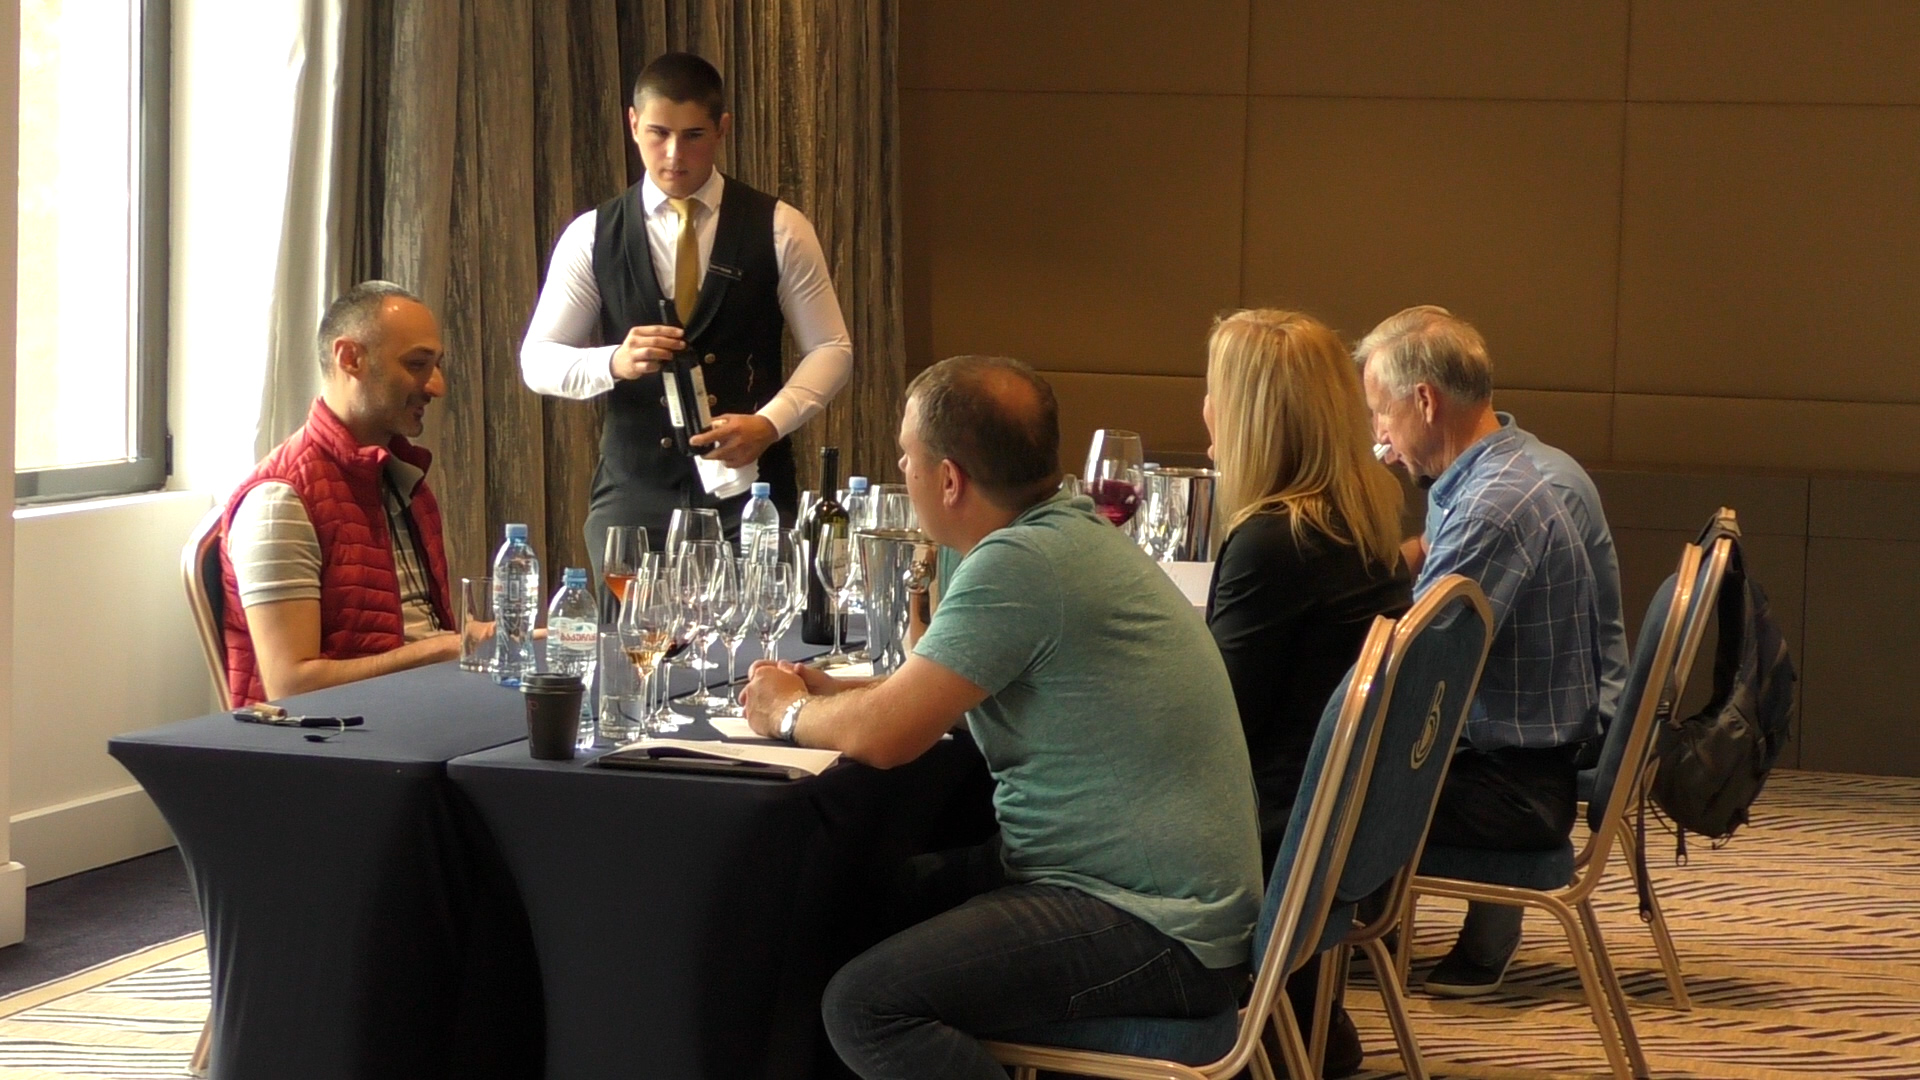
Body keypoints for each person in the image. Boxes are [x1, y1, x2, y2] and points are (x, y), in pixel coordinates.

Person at [743, 355, 1262, 1080]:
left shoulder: (1023, 563)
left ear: (950, 480)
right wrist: (839, 692)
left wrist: (788, 711)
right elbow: (938, 688)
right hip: (1144, 888)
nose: (903, 468)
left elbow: (886, 738)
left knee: (865, 1007)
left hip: (1159, 927)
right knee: (855, 905)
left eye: (907, 456)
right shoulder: (1057, 533)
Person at [519, 51, 852, 577]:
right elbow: (537, 361)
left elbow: (832, 348)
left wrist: (769, 424)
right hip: (633, 495)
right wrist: (613, 361)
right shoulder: (592, 234)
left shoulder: (780, 227)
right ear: (633, 124)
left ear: (722, 129)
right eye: (658, 133)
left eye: (693, 135)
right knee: (632, 630)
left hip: (752, 496)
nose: (674, 155)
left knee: (756, 627)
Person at [1357, 305, 1604, 996]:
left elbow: (1412, 672)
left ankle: (1305, 975)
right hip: (1513, 770)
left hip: (1513, 793)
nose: (1379, 439)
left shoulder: (1495, 507)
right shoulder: (1495, 479)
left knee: (1301, 790)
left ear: (1424, 401)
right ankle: (1347, 942)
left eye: (1381, 414)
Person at [1201, 309, 1412, 1077]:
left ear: (1253, 417)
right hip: (1340, 832)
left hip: (1266, 839)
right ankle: (1299, 1019)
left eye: (1215, 391)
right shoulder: (1361, 518)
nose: (1204, 409)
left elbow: (1216, 731)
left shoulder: (1274, 541)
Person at [220, 281, 458, 707]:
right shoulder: (280, 502)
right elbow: (289, 687)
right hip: (337, 735)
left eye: (436, 366)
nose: (436, 386)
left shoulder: (402, 479)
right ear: (350, 358)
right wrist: (442, 652)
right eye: (418, 364)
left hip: (418, 710)